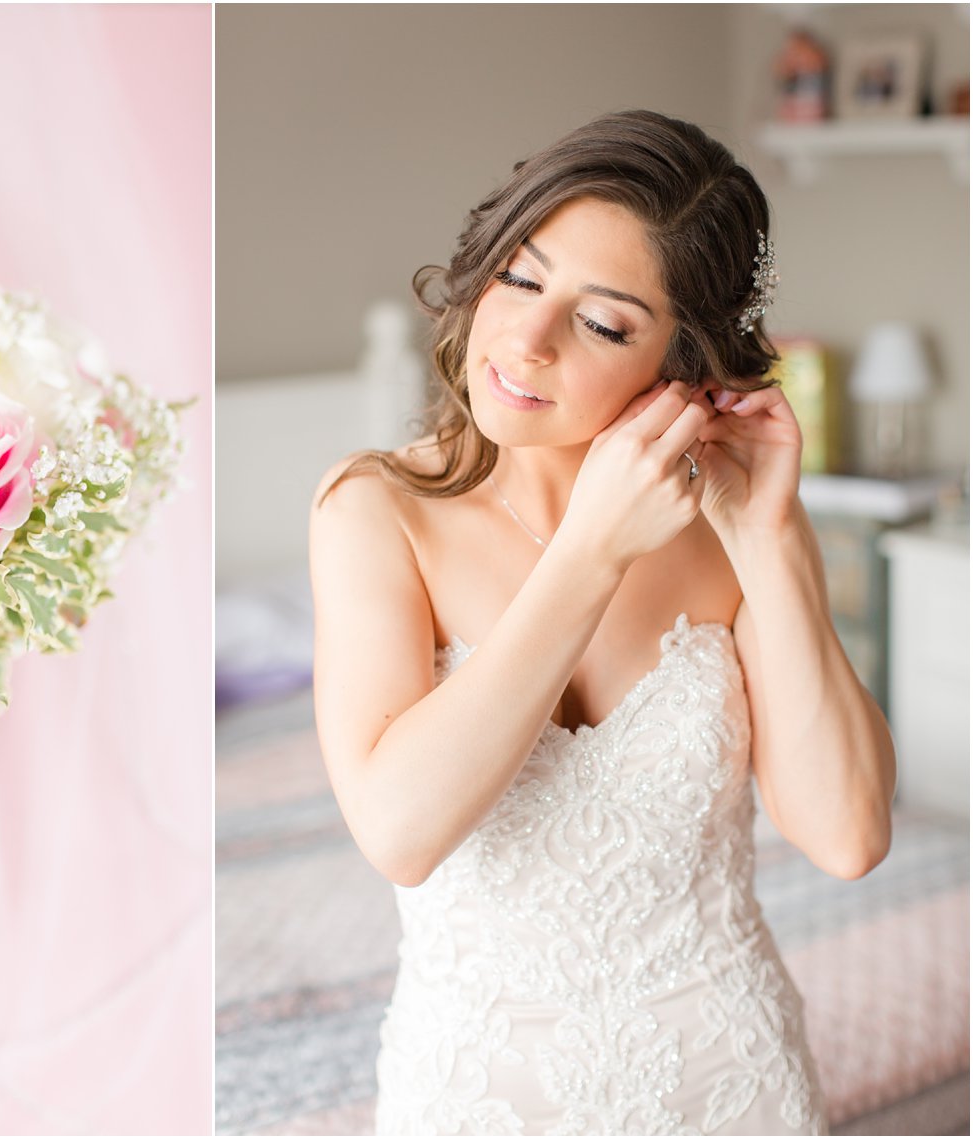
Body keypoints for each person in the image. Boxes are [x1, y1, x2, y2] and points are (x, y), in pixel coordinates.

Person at [308, 110, 895, 1135]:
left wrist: (771, 538)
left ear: (679, 360)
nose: (524, 341)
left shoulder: (727, 528)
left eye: (602, 322)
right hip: (469, 1095)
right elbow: (399, 832)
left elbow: (845, 836)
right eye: (521, 277)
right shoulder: (374, 512)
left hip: (732, 1085)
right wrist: (589, 551)